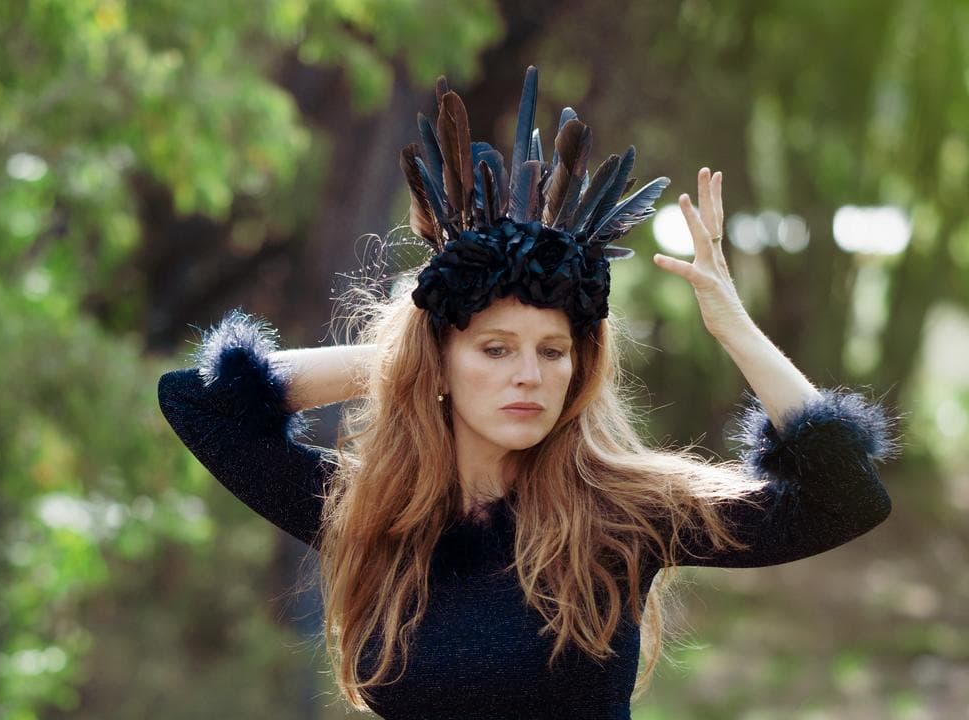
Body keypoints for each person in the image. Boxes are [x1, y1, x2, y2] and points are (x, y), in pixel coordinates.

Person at [157, 66, 896, 719]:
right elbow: (199, 402)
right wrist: (410, 355)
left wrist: (733, 325)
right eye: (495, 349)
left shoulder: (621, 514)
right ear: (442, 361)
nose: (528, 376)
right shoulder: (374, 513)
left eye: (552, 351)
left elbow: (845, 499)